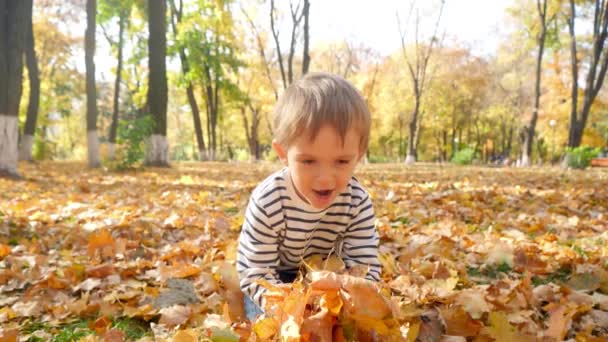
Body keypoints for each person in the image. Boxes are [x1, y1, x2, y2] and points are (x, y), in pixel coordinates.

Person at [236, 72, 381, 320]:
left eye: (342, 161)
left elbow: (364, 268)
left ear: (359, 154)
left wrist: (342, 293)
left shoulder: (356, 201)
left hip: (332, 281)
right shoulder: (269, 200)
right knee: (267, 323)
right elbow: (256, 270)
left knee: (359, 322)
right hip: (276, 279)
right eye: (308, 161)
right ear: (283, 153)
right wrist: (288, 306)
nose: (325, 178)